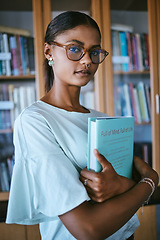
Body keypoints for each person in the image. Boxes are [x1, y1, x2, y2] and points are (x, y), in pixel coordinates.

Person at [6, 11, 159, 240]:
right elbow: (88, 229)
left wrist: (123, 185)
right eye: (75, 49)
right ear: (49, 51)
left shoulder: (103, 120)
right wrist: (150, 182)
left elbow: (122, 184)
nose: (87, 60)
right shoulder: (35, 121)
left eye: (94, 51)